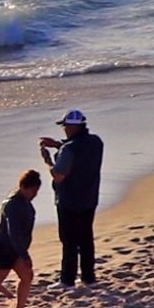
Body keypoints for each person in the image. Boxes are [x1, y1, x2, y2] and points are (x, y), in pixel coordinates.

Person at [39, 109, 105, 288]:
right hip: (89, 198)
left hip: (68, 201)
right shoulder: (96, 142)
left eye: (66, 126)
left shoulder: (68, 149)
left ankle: (67, 279)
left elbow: (59, 175)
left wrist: (48, 161)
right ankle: (88, 277)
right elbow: (79, 151)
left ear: (72, 127)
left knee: (68, 241)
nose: (65, 130)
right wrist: (58, 145)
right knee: (85, 239)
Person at [0, 170, 39, 308]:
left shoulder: (25, 203)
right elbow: (13, 232)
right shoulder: (12, 204)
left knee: (27, 276)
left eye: (36, 191)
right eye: (33, 190)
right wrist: (25, 255)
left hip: (15, 249)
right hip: (2, 248)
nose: (35, 194)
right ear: (25, 187)